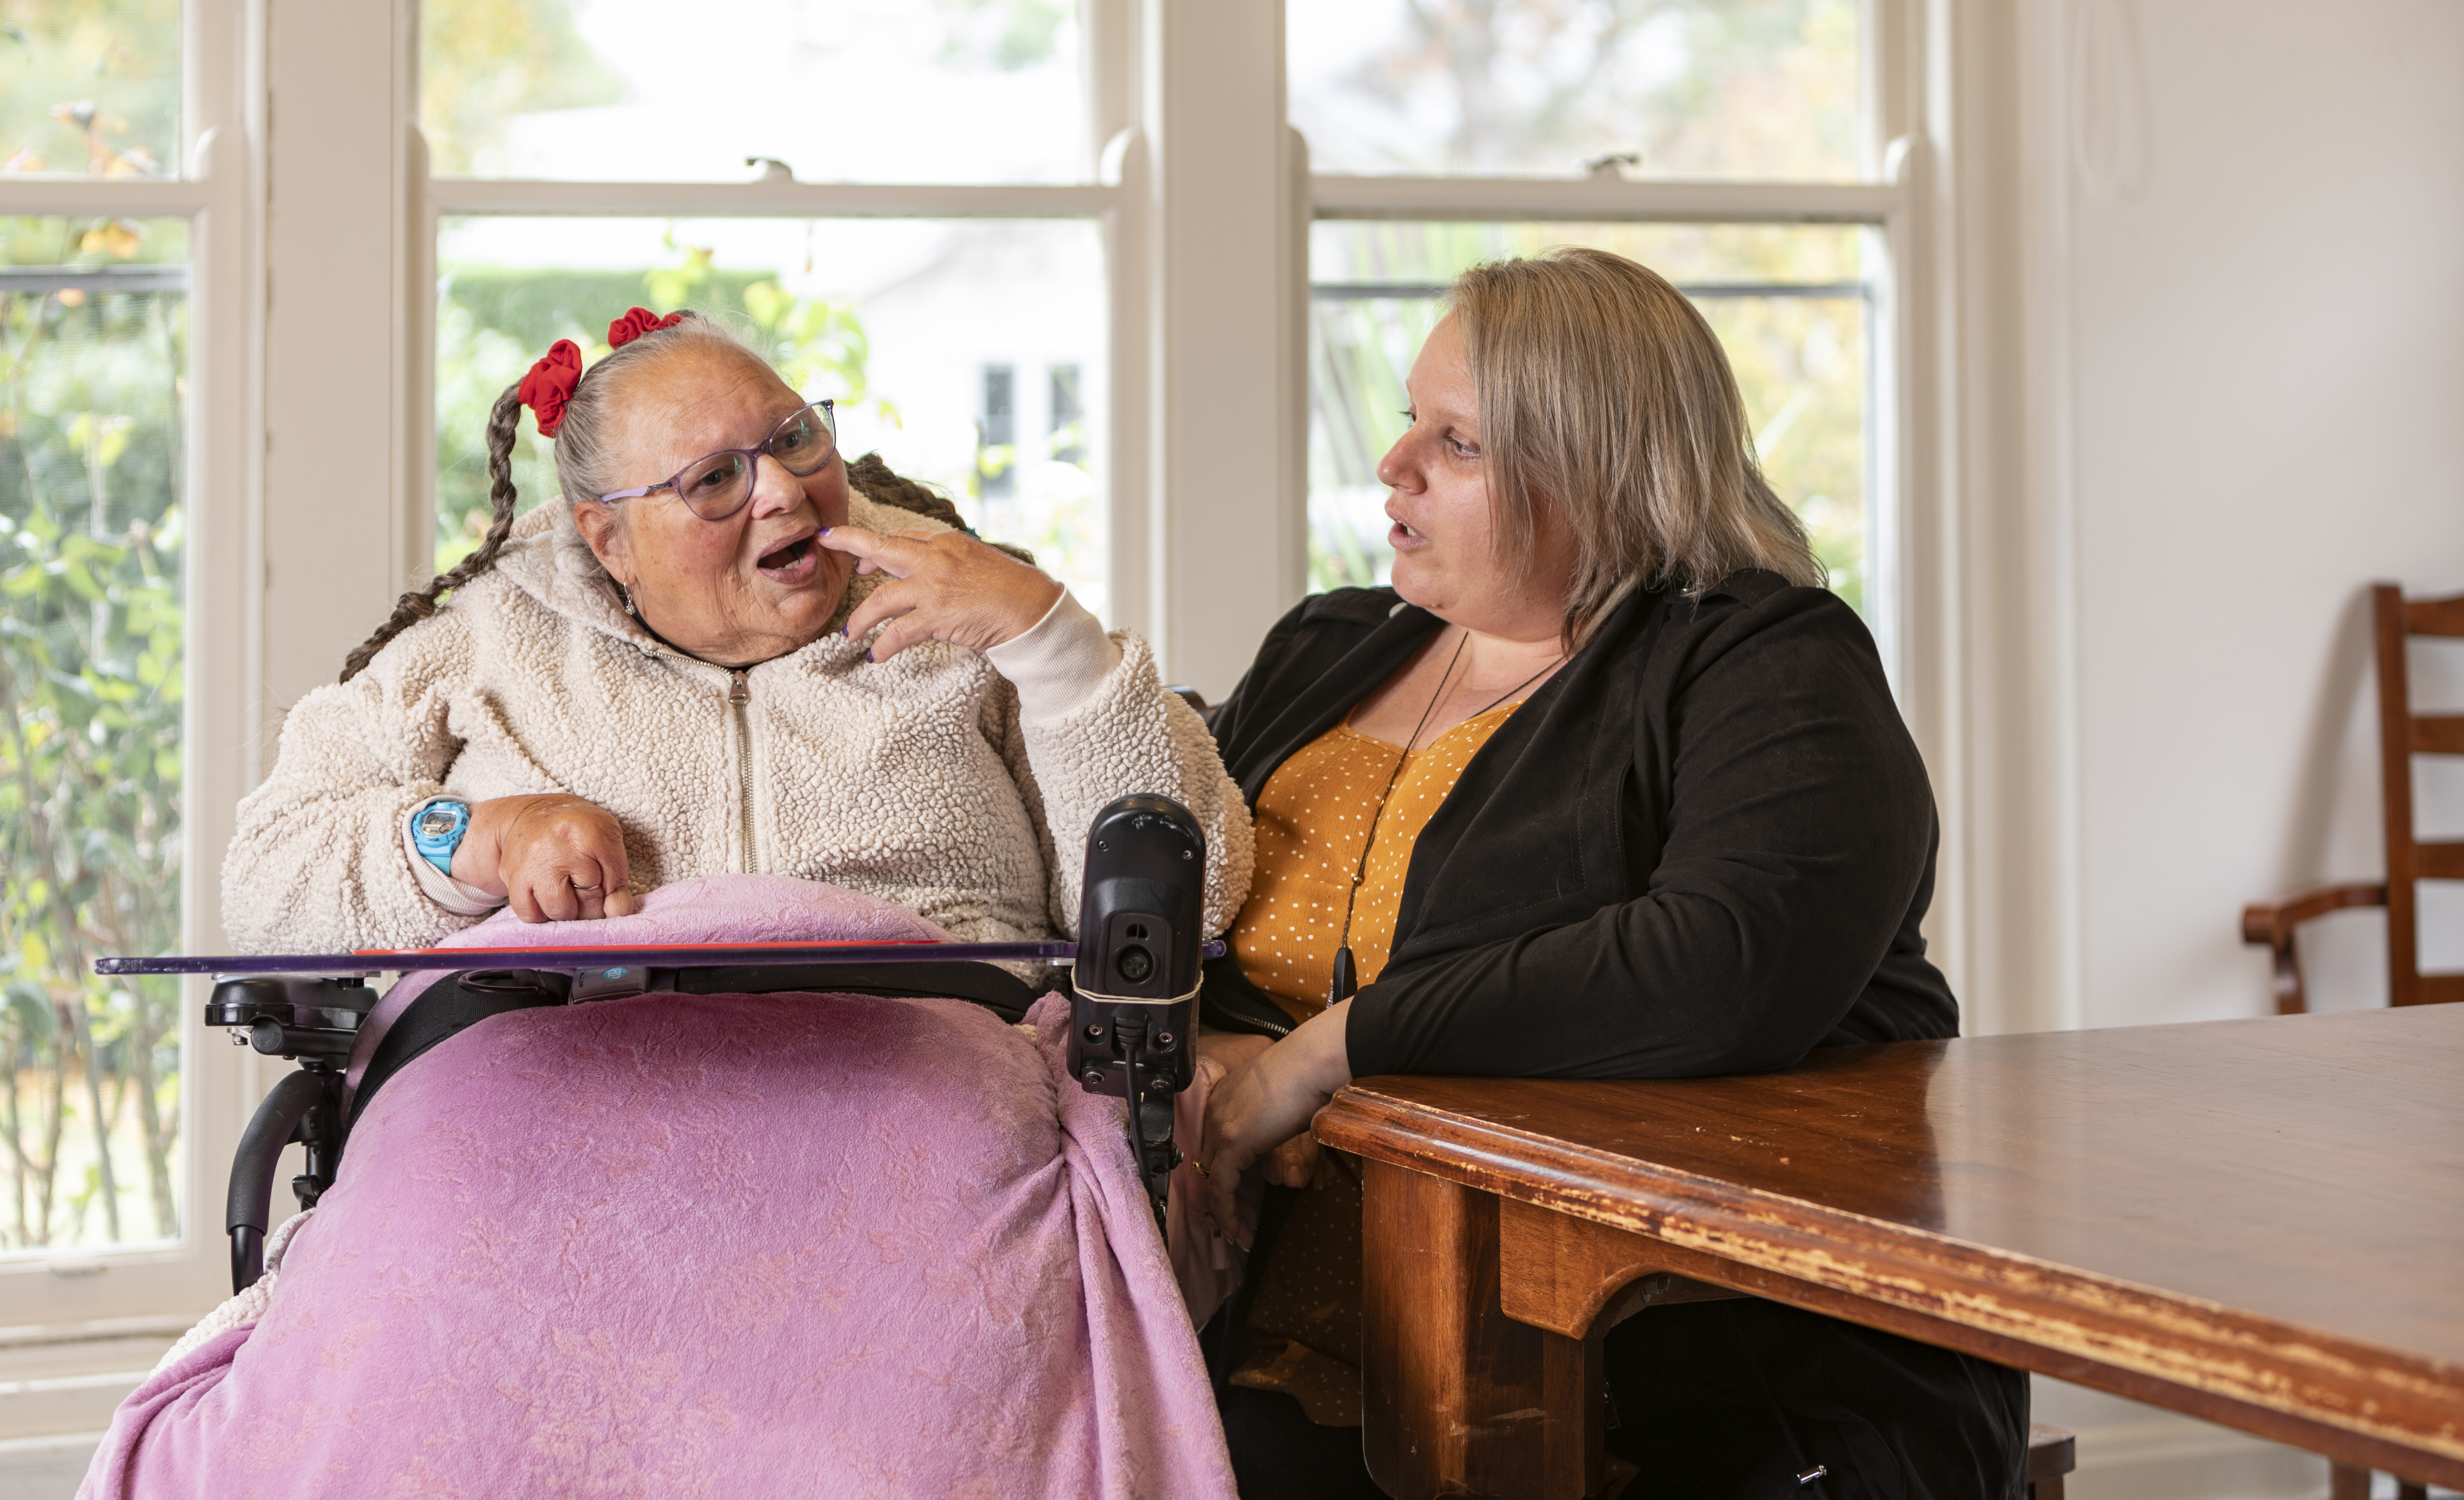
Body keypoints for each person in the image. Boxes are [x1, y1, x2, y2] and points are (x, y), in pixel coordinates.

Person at [1188, 250, 2026, 1499]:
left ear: (1598, 469)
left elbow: (1721, 960)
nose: (1396, 464)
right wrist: (1210, 1037)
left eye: (1457, 442)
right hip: (1286, 1361)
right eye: (1410, 419)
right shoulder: (1329, 647)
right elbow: (1181, 894)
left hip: (1656, 1388)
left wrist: (1334, 1051)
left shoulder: (1765, 658)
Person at [222, 306, 1248, 954]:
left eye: (795, 438)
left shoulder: (972, 611)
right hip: (555, 1111)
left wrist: (1050, 641)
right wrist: (479, 839)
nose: (783, 492)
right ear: (609, 538)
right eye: (714, 480)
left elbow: (1190, 906)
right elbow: (265, 886)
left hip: (929, 1108)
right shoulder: (491, 639)